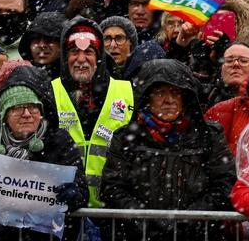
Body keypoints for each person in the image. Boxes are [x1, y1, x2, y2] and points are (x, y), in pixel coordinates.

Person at [100, 59, 234, 241]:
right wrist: (147, 223)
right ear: (147, 97)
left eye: (175, 92)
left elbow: (225, 185)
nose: (168, 100)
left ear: (185, 97)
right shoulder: (125, 137)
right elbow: (112, 188)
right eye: (160, 93)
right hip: (138, 235)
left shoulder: (208, 135)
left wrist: (187, 221)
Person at [0, 65, 88, 239]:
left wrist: (73, 195)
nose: (27, 114)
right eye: (17, 108)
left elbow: (82, 192)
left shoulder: (59, 140)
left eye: (33, 107)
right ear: (4, 115)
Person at [51, 18, 135, 207]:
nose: (81, 59)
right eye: (74, 52)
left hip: (112, 210)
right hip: (61, 209)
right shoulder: (50, 92)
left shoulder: (127, 92)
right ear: (65, 57)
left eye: (88, 52)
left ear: (98, 57)